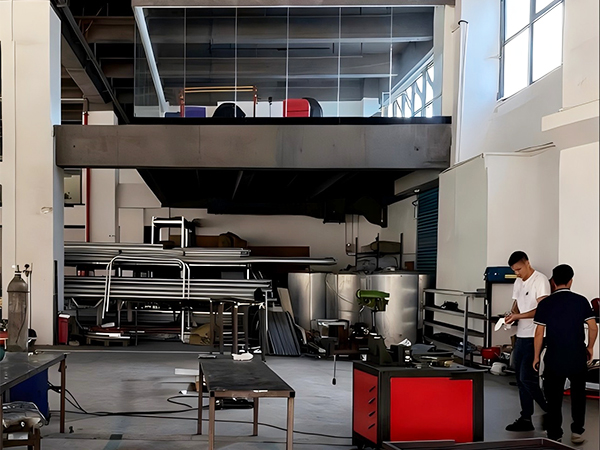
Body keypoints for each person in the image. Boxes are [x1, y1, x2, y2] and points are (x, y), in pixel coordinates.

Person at [533, 264, 598, 443]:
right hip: (577, 355)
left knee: (553, 397)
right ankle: (577, 432)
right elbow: (593, 327)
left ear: (553, 282)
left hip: (554, 356)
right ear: (571, 281)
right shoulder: (581, 301)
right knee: (578, 395)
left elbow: (539, 333)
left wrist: (536, 356)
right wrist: (590, 347)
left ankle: (555, 434)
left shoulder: (545, 303)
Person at [504, 251, 550, 431]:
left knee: (527, 378)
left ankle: (550, 410)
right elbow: (516, 304)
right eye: (514, 270)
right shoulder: (518, 282)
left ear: (527, 263)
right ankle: (526, 418)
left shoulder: (540, 280)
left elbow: (543, 310)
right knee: (520, 379)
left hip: (535, 335)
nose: (517, 273)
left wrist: (518, 316)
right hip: (521, 336)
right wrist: (511, 315)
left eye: (519, 269)